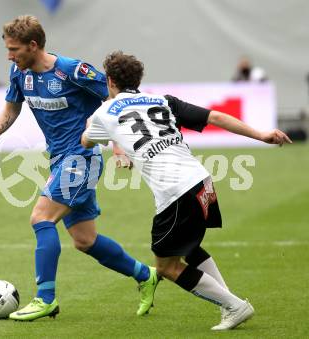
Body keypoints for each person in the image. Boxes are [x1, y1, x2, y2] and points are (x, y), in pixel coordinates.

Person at [81, 51, 292, 330]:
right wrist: (261, 135)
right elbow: (215, 116)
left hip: (175, 192)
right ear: (138, 79)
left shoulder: (104, 113)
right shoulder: (163, 101)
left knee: (166, 266)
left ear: (108, 80)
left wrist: (98, 130)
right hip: (202, 182)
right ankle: (230, 303)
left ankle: (233, 305)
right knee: (189, 247)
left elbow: (86, 140)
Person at [0, 16, 158, 321]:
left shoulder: (72, 70)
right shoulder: (19, 73)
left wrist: (118, 143)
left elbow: (117, 97)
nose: (9, 55)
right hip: (60, 160)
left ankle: (45, 298)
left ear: (33, 45)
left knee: (40, 217)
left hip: (81, 159)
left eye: (14, 49)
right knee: (85, 240)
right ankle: (145, 275)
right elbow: (12, 106)